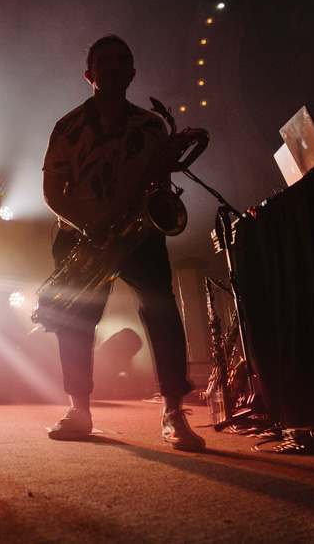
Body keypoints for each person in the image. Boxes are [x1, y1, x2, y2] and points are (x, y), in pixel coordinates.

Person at [38, 34, 206, 451]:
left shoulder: (152, 125)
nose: (112, 67)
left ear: (132, 73)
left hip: (139, 233)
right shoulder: (68, 125)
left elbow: (159, 184)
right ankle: (79, 411)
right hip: (82, 239)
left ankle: (173, 413)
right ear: (89, 74)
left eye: (121, 62)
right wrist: (86, 223)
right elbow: (51, 190)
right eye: (104, 62)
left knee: (162, 314)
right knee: (76, 324)